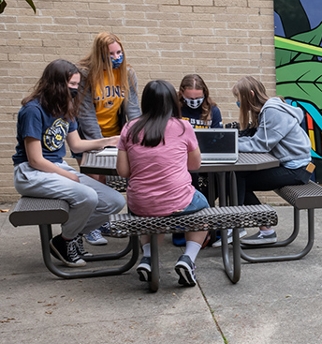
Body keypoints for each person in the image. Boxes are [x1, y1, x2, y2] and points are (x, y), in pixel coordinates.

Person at [13, 60, 126, 266]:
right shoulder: (33, 111)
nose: (75, 89)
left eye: (76, 84)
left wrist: (108, 140)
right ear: (56, 84)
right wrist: (69, 176)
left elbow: (76, 144)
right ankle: (66, 242)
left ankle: (69, 237)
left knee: (115, 201)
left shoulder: (64, 106)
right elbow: (35, 159)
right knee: (87, 196)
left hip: (56, 169)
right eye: (72, 85)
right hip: (30, 173)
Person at [116, 80, 211, 287]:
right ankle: (188, 259)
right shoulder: (182, 126)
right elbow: (195, 165)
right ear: (172, 102)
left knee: (150, 213)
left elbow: (123, 171)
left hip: (139, 202)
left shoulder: (130, 128)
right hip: (177, 200)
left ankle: (148, 258)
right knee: (203, 208)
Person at [231, 76, 313, 245]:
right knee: (236, 178)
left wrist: (229, 144)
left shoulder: (272, 111)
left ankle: (236, 226)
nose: (237, 102)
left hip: (297, 170)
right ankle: (261, 229)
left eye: (238, 98)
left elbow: (260, 144)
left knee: (237, 178)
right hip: (291, 165)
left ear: (250, 94)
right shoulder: (265, 111)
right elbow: (256, 138)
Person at [76, 32, 140, 246]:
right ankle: (90, 227)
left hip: (116, 134)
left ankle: (101, 221)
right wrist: (101, 144)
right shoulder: (85, 74)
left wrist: (137, 137)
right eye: (111, 54)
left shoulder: (127, 73)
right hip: (89, 137)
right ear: (99, 55)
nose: (116, 57)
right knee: (97, 181)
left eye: (119, 52)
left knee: (113, 181)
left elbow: (133, 109)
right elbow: (85, 114)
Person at [175, 74, 223, 246]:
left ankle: (208, 231)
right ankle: (183, 232)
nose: (194, 101)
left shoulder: (213, 110)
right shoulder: (176, 110)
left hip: (206, 161)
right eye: (190, 98)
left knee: (208, 193)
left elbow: (219, 137)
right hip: (181, 162)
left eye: (198, 98)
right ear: (181, 94)